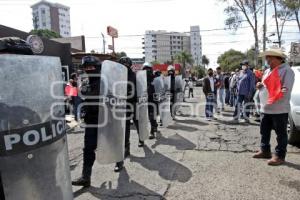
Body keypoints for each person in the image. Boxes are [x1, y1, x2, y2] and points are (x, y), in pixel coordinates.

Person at [253, 48, 295, 166]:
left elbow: (286, 89)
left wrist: (274, 94)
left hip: (279, 109)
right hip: (265, 108)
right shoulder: (267, 71)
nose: (267, 60)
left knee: (281, 134)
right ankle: (265, 150)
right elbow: (264, 86)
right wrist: (259, 85)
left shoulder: (287, 71)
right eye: (267, 58)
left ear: (279, 59)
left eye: (270, 57)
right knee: (264, 131)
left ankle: (280, 156)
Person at [71, 56, 102, 187]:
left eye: (92, 67)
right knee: (88, 148)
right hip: (92, 120)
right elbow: (83, 94)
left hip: (107, 119)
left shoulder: (106, 81)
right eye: (87, 68)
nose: (89, 70)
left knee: (113, 144)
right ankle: (86, 177)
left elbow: (90, 92)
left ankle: (119, 161)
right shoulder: (86, 81)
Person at [114, 56, 143, 172]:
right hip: (121, 106)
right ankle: (124, 151)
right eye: (122, 64)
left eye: (126, 64)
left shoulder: (135, 76)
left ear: (129, 65)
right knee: (123, 129)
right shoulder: (116, 76)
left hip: (133, 103)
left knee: (137, 123)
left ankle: (142, 138)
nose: (124, 66)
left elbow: (140, 89)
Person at [143, 62, 158, 139]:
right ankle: (155, 125)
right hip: (143, 100)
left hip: (153, 100)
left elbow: (160, 88)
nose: (146, 71)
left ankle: (152, 131)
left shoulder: (155, 78)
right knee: (147, 117)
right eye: (145, 69)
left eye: (148, 69)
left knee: (151, 116)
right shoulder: (141, 79)